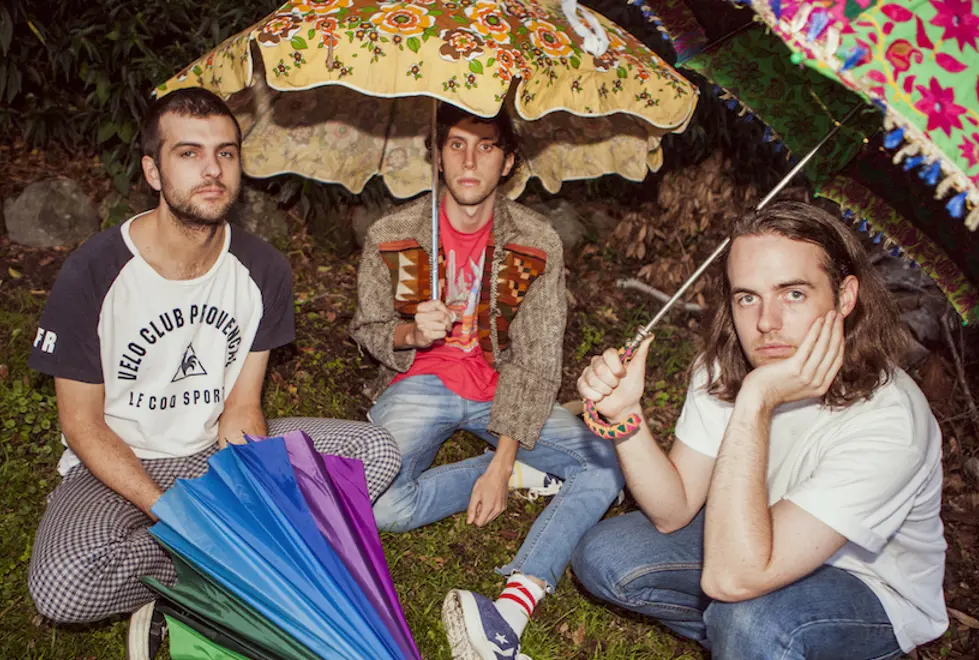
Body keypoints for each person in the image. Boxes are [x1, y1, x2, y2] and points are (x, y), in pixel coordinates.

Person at [27, 88, 401, 660]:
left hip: (212, 453)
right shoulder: (93, 272)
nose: (212, 169)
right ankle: (225, 568)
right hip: (119, 463)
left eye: (225, 153)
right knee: (63, 586)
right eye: (189, 153)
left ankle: (208, 574)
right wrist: (176, 514)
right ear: (153, 171)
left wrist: (253, 488)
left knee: (374, 452)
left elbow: (242, 406)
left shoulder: (263, 269)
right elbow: (82, 426)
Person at [572, 201, 947, 659]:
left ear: (845, 297)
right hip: (755, 534)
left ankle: (766, 640)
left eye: (793, 294)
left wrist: (756, 400)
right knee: (605, 555)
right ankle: (751, 643)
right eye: (747, 297)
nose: (766, 323)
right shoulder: (723, 367)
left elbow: (730, 579)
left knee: (747, 613)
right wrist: (625, 418)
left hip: (868, 587)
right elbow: (673, 509)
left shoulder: (890, 421)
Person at [350, 103, 624, 660]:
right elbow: (367, 329)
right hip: (420, 383)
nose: (470, 161)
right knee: (379, 508)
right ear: (437, 156)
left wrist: (500, 464)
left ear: (508, 161)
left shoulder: (536, 240)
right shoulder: (392, 233)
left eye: (486, 146)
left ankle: (519, 595)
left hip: (501, 387)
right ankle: (530, 470)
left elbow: (537, 358)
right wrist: (410, 332)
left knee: (608, 465)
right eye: (455, 144)